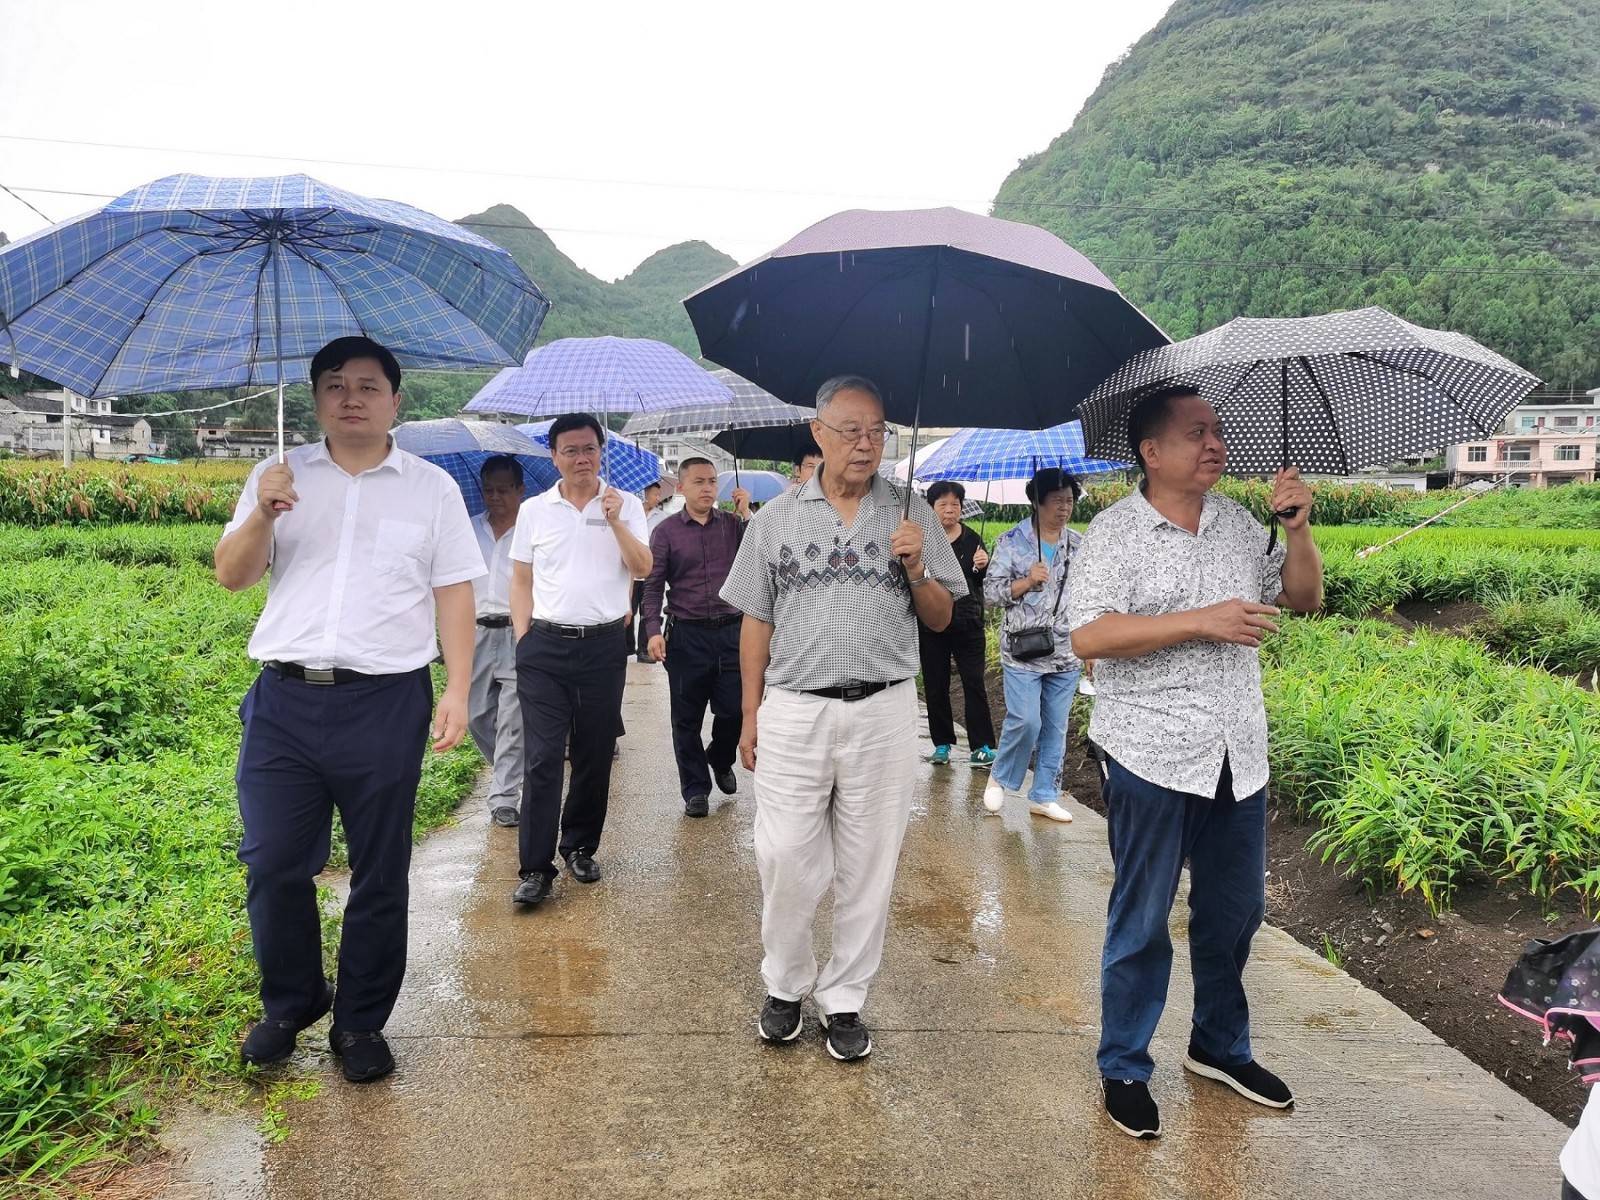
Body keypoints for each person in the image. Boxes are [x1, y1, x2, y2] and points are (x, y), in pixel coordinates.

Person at [215, 336, 483, 1084]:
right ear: (316, 400)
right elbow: (232, 577)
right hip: (283, 702)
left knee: (379, 870)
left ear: (396, 400)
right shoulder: (278, 475)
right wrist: (263, 517)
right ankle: (292, 1000)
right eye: (335, 384)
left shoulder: (429, 488)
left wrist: (457, 689)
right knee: (271, 861)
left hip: (386, 701)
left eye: (368, 384)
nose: (351, 396)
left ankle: (360, 1022)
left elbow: (455, 590)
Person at [1067, 385, 1322, 1140]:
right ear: (1151, 451)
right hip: (1149, 751)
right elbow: (1089, 636)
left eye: (1218, 432)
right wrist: (1200, 621)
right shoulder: (1115, 532)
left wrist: (1300, 531)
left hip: (1236, 754)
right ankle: (1124, 1063)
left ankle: (1219, 1044)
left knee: (1235, 914)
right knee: (1142, 920)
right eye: (1196, 433)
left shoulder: (1241, 525)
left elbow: (1303, 598)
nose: (1215, 444)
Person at [720, 374, 965, 1062]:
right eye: (851, 430)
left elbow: (943, 617)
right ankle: (785, 984)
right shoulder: (774, 521)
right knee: (786, 857)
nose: (866, 444)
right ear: (818, 434)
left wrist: (918, 568)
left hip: (885, 708)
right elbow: (755, 620)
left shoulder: (911, 511)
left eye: (877, 430)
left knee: (870, 863)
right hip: (795, 709)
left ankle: (846, 998)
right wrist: (750, 712)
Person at [509, 414, 651, 906]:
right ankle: (535, 867)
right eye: (569, 450)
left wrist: (613, 521)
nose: (580, 458)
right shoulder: (534, 510)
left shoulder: (626, 504)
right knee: (544, 757)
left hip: (604, 646)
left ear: (601, 451)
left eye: (589, 448)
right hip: (544, 648)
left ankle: (580, 846)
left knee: (593, 753)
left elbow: (643, 568)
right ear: (554, 456)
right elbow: (522, 579)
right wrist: (522, 637)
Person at [642, 458, 751, 817]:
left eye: (712, 481)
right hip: (686, 635)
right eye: (699, 481)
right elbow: (653, 585)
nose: (707, 488)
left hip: (731, 632)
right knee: (686, 718)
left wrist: (747, 514)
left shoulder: (734, 526)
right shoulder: (667, 531)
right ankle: (695, 789)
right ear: (683, 487)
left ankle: (720, 757)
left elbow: (760, 556)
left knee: (734, 709)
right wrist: (653, 630)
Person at [980, 468, 1085, 822]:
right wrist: (1027, 581)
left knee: (1055, 725)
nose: (1064, 508)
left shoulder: (1078, 544)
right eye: (1057, 501)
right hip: (1023, 650)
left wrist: (1092, 647)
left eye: (1069, 501)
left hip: (1066, 651)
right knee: (1026, 721)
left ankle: (1044, 794)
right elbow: (991, 594)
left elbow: (1089, 596)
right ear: (1036, 502)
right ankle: (1001, 776)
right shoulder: (1012, 541)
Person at [917, 481, 997, 767]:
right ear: (931, 508)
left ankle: (982, 745)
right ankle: (942, 744)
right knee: (935, 684)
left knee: (974, 683)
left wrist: (982, 566)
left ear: (962, 508)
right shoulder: (923, 542)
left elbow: (980, 582)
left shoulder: (974, 539)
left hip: (967, 622)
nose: (950, 510)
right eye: (943, 505)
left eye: (955, 505)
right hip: (932, 625)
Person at [468, 456, 526, 828]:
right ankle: (514, 765)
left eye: (503, 490)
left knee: (512, 717)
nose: (495, 497)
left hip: (519, 629)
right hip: (474, 631)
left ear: (520, 490)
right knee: (477, 716)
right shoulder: (468, 529)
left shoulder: (532, 531)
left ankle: (504, 795)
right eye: (488, 489)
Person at [629, 479, 668, 663]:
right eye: (655, 494)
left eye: (659, 495)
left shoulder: (662, 517)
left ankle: (643, 650)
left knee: (647, 612)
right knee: (628, 610)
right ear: (645, 494)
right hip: (629, 573)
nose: (658, 497)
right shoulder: (631, 514)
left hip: (650, 572)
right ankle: (625, 648)